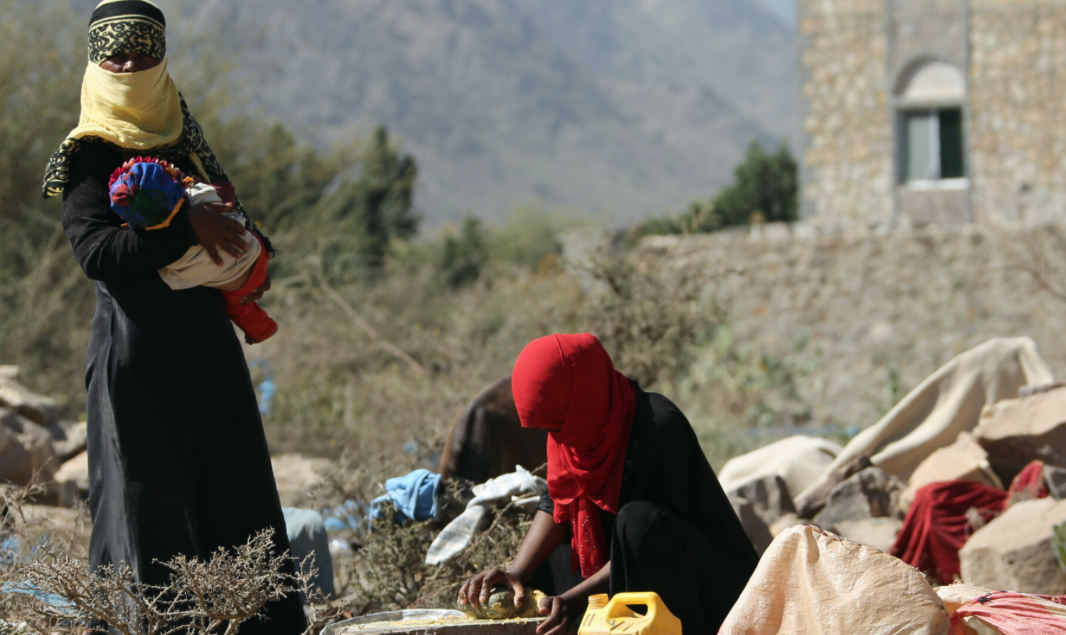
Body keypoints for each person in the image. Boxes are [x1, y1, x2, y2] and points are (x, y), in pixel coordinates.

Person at [45, 1, 307, 632]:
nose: (131, 64)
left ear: (163, 59)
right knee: (149, 497)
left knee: (232, 482)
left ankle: (252, 621)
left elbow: (231, 220)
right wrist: (185, 227)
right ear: (95, 61)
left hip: (206, 345)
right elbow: (96, 254)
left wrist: (241, 243)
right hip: (136, 353)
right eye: (117, 54)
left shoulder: (182, 136)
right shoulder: (89, 151)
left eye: (144, 51)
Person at [459, 334, 759, 635]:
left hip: (719, 596)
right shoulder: (574, 432)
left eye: (558, 424)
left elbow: (648, 544)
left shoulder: (658, 426)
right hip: (641, 587)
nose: (556, 437)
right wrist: (517, 573)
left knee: (635, 521)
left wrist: (574, 601)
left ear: (582, 396)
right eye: (549, 427)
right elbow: (558, 501)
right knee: (562, 544)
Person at [108, 157, 277, 342]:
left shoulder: (163, 249)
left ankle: (262, 330)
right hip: (255, 252)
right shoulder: (199, 198)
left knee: (238, 307)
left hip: (236, 284)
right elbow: (227, 195)